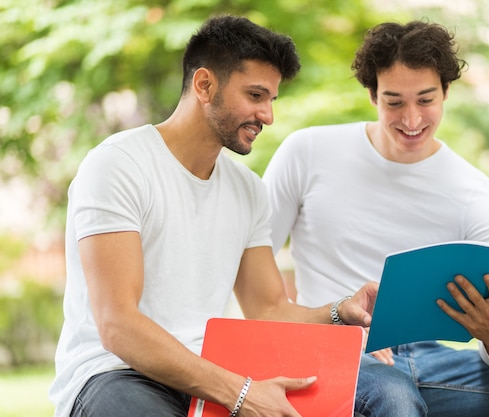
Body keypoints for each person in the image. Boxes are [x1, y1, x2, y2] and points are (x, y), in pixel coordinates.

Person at [263, 20, 489, 416]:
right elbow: (255, 266)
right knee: (394, 396)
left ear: (447, 92)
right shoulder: (308, 152)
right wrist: (323, 323)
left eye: (425, 99)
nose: (412, 119)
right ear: (371, 95)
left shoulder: (475, 193)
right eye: (394, 102)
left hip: (435, 358)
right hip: (335, 349)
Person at [49, 15, 378, 417]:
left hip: (208, 374)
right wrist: (241, 392)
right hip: (115, 375)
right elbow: (119, 326)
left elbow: (269, 309)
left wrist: (338, 311)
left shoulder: (248, 190)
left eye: (272, 99)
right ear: (204, 85)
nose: (268, 115)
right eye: (256, 95)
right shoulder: (117, 166)